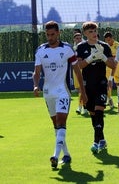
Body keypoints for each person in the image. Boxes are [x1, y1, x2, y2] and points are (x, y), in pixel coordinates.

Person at [33, 21, 87, 168]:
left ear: (58, 33)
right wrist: (36, 85)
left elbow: (77, 72)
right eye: (47, 34)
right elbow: (36, 72)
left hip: (63, 92)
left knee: (61, 122)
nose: (50, 37)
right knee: (56, 126)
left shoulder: (68, 49)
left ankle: (55, 156)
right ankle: (67, 154)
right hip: (48, 92)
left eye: (52, 34)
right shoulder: (40, 50)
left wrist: (83, 92)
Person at [76, 21, 116, 154]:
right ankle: (102, 139)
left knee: (99, 110)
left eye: (94, 31)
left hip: (101, 84)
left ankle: (95, 141)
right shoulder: (81, 47)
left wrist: (103, 57)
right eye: (90, 32)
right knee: (93, 113)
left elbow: (113, 65)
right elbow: (79, 66)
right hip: (88, 85)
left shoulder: (104, 46)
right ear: (85, 34)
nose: (93, 34)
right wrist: (91, 58)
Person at [104, 32, 119, 109]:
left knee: (118, 83)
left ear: (112, 38)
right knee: (108, 84)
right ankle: (109, 99)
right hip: (108, 68)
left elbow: (118, 56)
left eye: (110, 40)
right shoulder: (104, 46)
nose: (109, 42)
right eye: (107, 40)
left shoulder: (118, 45)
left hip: (117, 67)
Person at [72, 32, 88, 115]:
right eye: (77, 38)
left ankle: (81, 107)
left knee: (83, 89)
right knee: (79, 89)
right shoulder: (72, 48)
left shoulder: (84, 46)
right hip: (75, 70)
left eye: (80, 38)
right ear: (74, 39)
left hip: (83, 70)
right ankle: (83, 107)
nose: (78, 39)